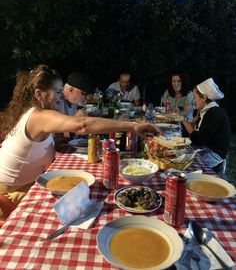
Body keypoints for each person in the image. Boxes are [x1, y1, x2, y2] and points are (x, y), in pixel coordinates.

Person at [0, 64, 159, 204]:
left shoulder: (34, 114)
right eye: (57, 92)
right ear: (39, 94)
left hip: (25, 183)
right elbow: (82, 125)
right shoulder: (38, 116)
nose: (62, 96)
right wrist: (132, 127)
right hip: (11, 191)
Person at [182, 78, 231, 174]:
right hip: (205, 148)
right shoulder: (206, 111)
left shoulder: (214, 113)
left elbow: (199, 140)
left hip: (214, 154)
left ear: (204, 98)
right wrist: (194, 124)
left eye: (195, 98)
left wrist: (185, 122)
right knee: (181, 154)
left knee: (186, 167)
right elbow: (199, 135)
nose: (193, 101)